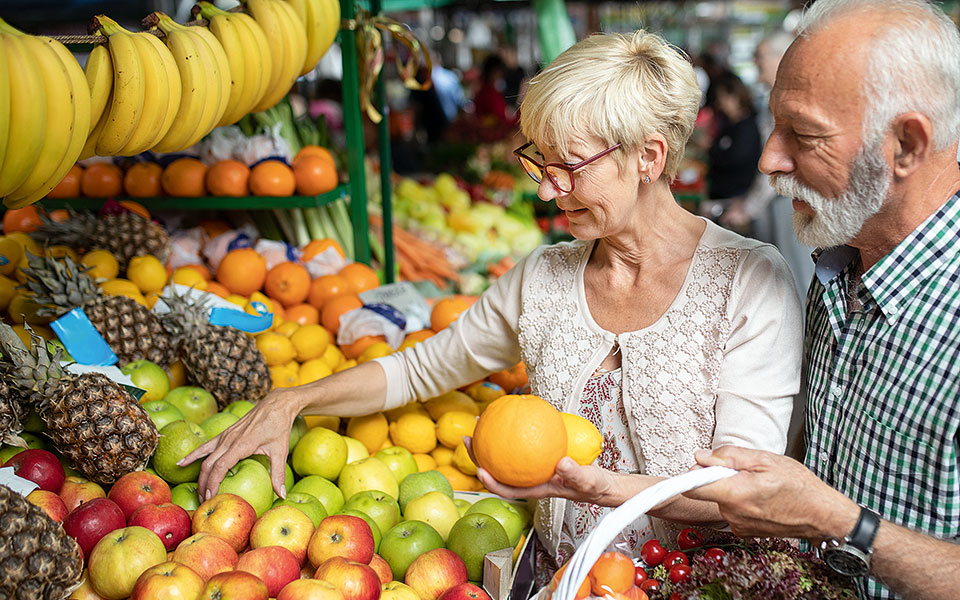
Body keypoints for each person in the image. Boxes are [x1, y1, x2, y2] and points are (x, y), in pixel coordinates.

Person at [181, 30, 802, 583]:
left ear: (649, 157)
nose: (547, 190)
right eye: (540, 163)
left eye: (569, 167)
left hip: (696, 583)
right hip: (559, 582)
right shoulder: (544, 278)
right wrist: (293, 400)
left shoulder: (747, 282)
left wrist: (603, 489)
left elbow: (744, 490)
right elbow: (422, 368)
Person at [684, 1, 960, 599]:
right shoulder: (838, 265)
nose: (769, 160)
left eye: (804, 136)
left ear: (907, 145)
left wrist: (838, 522)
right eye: (773, 125)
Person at [721, 32, 815, 307]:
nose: (755, 61)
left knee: (796, 280)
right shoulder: (775, 97)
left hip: (789, 200)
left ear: (783, 58)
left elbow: (777, 164)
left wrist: (748, 208)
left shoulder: (792, 99)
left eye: (760, 55)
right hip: (778, 200)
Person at [704, 71, 764, 213]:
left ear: (737, 96)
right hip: (722, 191)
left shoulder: (747, 127)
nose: (721, 103)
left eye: (724, 97)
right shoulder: (730, 123)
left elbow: (734, 159)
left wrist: (711, 149)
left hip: (734, 197)